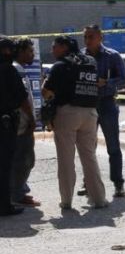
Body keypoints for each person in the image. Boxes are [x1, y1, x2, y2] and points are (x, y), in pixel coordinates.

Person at [43, 36, 106, 211]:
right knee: (89, 157)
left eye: (54, 46)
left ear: (64, 47)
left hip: (68, 113)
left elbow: (45, 91)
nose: (52, 50)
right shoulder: (91, 61)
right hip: (90, 113)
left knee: (66, 159)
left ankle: (66, 201)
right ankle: (99, 199)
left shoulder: (60, 66)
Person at [81, 25, 125, 199]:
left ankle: (118, 184)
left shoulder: (112, 56)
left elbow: (123, 80)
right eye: (85, 37)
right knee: (87, 147)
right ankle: (89, 183)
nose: (87, 40)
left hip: (107, 104)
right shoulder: (81, 56)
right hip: (86, 105)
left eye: (91, 36)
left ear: (100, 37)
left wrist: (106, 82)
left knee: (113, 146)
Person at [0, 37, 31, 217]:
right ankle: (4, 206)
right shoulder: (8, 70)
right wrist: (32, 120)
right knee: (4, 166)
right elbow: (22, 98)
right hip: (5, 125)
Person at [10, 39, 38, 208]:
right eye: (29, 51)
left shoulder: (18, 68)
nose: (32, 55)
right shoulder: (17, 69)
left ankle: (17, 190)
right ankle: (17, 194)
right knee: (25, 159)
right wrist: (32, 119)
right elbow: (22, 99)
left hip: (20, 122)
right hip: (22, 123)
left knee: (23, 159)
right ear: (20, 51)